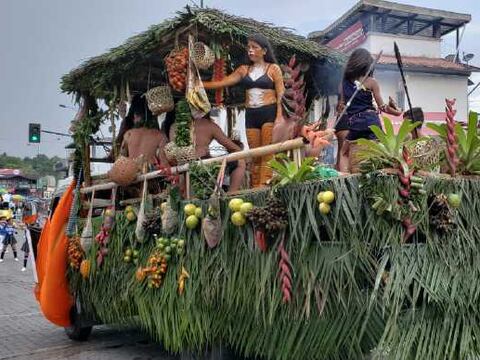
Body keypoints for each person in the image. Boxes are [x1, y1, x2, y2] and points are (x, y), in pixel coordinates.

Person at [203, 33, 285, 187]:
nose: (250, 50)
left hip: (269, 112)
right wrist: (201, 84)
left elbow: (281, 94)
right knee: (254, 154)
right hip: (251, 114)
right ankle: (255, 189)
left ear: (264, 51)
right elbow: (223, 82)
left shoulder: (273, 68)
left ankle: (264, 187)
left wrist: (279, 116)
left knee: (267, 153)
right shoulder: (243, 70)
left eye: (255, 47)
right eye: (249, 47)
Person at [337, 48, 403, 172]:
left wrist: (344, 107)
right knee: (381, 151)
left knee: (344, 152)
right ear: (367, 65)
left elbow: (341, 107)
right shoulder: (371, 82)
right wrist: (396, 112)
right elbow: (382, 107)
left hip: (355, 123)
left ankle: (344, 178)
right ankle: (382, 176)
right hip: (371, 121)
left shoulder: (343, 84)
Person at [167, 113, 246, 193]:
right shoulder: (208, 125)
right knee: (240, 161)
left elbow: (172, 156)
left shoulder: (173, 127)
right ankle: (231, 195)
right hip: (203, 166)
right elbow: (235, 149)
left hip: (183, 169)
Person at [119, 94, 169, 168]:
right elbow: (164, 163)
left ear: (135, 115)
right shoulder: (160, 136)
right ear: (153, 115)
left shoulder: (128, 134)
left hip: (132, 175)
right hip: (150, 176)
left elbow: (122, 160)